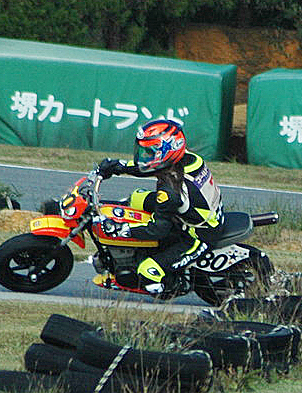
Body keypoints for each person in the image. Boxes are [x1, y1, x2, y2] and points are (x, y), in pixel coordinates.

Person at [92, 118, 224, 294]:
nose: (143, 157)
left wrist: (122, 230)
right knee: (136, 198)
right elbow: (149, 167)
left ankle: (167, 289)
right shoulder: (190, 159)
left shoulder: (171, 190)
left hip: (199, 234)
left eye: (149, 152)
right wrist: (119, 166)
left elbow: (157, 230)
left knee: (148, 270)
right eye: (142, 151)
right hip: (196, 211)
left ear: (167, 152)